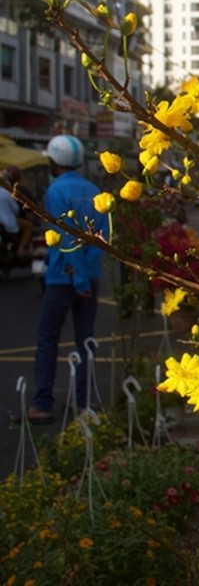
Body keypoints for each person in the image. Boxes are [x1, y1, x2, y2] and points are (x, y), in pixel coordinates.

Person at [27, 135, 108, 424]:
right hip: (91, 275)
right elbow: (102, 239)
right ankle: (82, 405)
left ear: (52, 161)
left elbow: (65, 235)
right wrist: (87, 275)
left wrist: (79, 278)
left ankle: (43, 403)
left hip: (64, 277)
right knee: (85, 343)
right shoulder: (94, 189)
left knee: (48, 340)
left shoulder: (55, 191)